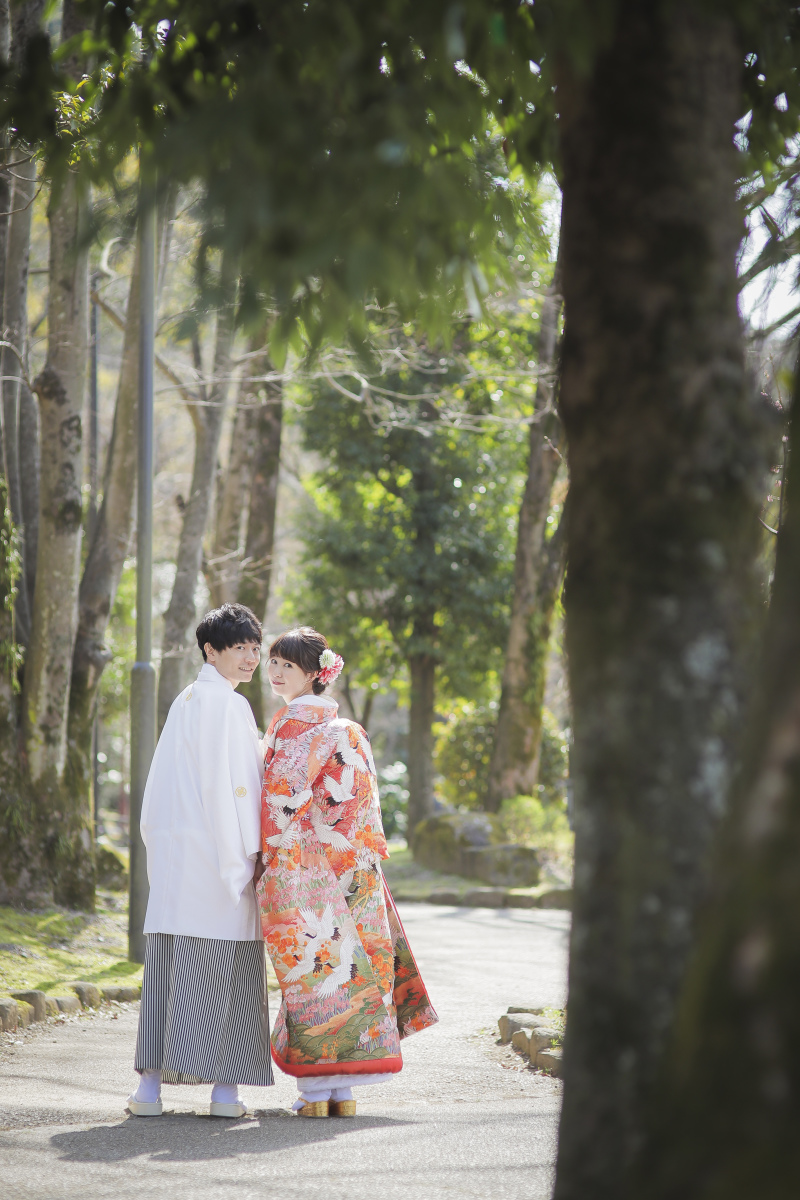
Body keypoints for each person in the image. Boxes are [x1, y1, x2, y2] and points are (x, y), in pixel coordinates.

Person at [257, 625, 437, 1118]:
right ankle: (343, 1094)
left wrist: (266, 860)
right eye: (273, 662)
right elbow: (366, 809)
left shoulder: (294, 729)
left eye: (287, 666)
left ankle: (316, 1095)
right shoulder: (349, 731)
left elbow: (277, 800)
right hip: (354, 868)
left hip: (304, 870)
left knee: (316, 973)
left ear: (315, 674)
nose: (274, 672)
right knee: (352, 973)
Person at [128, 603, 273, 1119]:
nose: (251, 658)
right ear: (211, 651)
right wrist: (252, 854)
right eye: (240, 648)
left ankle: (149, 1090)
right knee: (227, 972)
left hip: (177, 858)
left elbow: (158, 787)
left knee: (169, 972)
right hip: (217, 856)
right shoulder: (229, 707)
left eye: (255, 648)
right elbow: (234, 790)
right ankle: (224, 1093)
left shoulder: (185, 700)